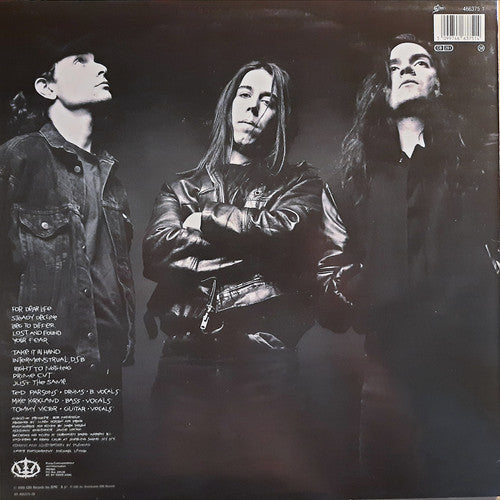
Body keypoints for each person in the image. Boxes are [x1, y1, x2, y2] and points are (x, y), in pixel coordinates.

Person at [318, 34, 499, 497]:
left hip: (467, 370)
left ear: (438, 82)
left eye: (420, 61)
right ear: (383, 90)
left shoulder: (480, 162)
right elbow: (329, 288)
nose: (406, 68)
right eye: (394, 66)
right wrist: (374, 289)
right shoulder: (349, 182)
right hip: (388, 375)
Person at [142, 61, 323, 494]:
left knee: (263, 488)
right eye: (245, 94)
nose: (253, 107)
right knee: (177, 487)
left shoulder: (301, 184)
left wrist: (203, 220)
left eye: (268, 100)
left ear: (281, 116)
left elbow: (284, 234)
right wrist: (252, 247)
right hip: (185, 360)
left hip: (263, 358)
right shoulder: (179, 187)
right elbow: (158, 252)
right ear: (228, 104)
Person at [0, 36, 135, 440]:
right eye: (80, 61)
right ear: (47, 88)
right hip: (38, 372)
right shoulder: (18, 157)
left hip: (103, 368)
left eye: (98, 60)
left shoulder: (111, 175)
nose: (101, 67)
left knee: (102, 472)